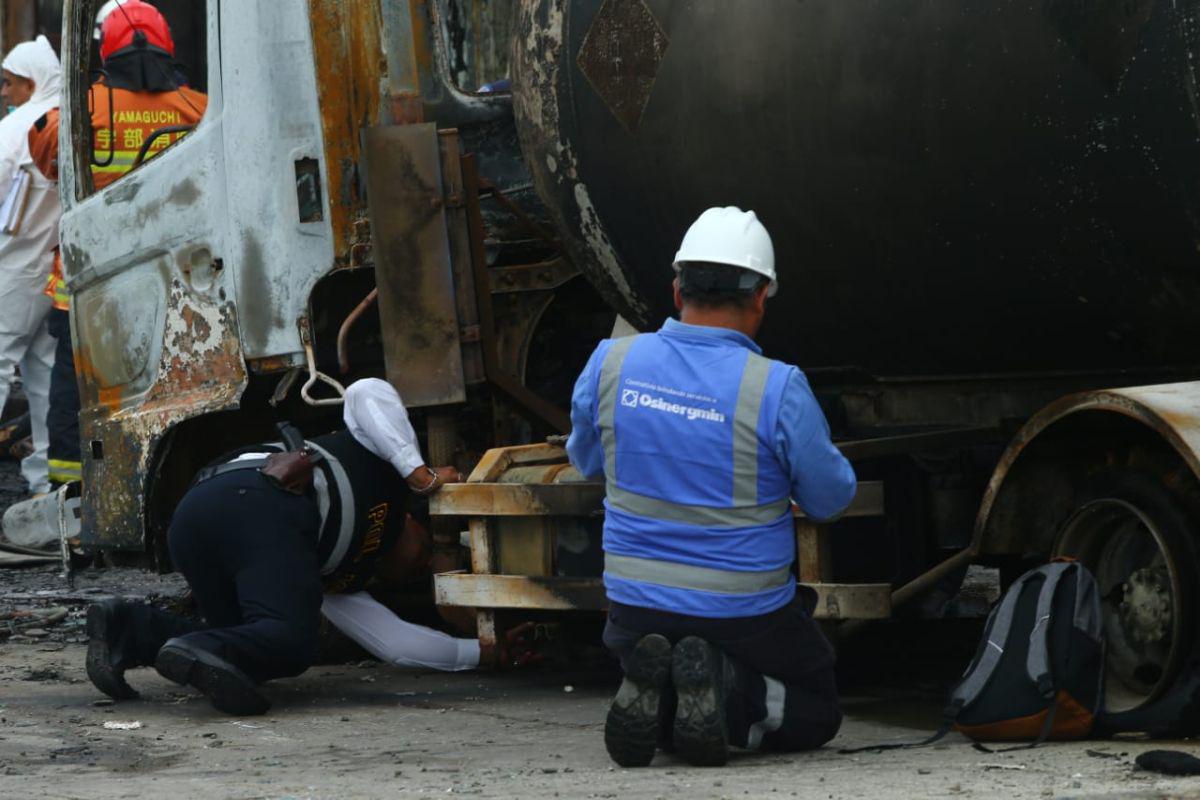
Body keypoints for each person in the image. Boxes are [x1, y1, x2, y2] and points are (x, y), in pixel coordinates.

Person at [566, 207, 858, 767]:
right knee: (817, 709)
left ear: (677, 290)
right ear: (760, 297)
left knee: (663, 655)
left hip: (633, 608)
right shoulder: (776, 386)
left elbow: (586, 462)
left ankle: (662, 694)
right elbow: (831, 499)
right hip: (745, 613)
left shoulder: (610, 363)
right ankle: (724, 691)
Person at [84, 378, 487, 716]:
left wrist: (485, 654)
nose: (426, 560)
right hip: (248, 500)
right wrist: (417, 472)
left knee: (242, 647)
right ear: (415, 520)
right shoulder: (385, 464)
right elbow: (367, 391)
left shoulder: (342, 581)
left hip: (200, 517)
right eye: (430, 548)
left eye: (422, 569)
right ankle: (196, 646)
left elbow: (396, 643)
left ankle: (128, 629)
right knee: (291, 644)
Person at [27, 0, 208, 487]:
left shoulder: (77, 111)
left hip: (87, 287)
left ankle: (71, 490)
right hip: (175, 282)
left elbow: (44, 158)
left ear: (104, 48)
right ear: (166, 43)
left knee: (76, 391)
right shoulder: (198, 109)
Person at [0, 36, 62, 496]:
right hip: (54, 271)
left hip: (14, 268)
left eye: (9, 84)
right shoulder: (68, 119)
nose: (5, 93)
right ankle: (45, 482)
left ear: (30, 83)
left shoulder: (16, 128)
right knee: (44, 374)